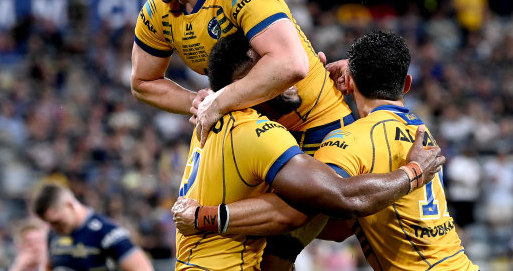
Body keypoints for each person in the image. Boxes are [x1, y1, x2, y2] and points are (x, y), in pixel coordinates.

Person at [131, 0, 353, 264]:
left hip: (317, 124)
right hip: (256, 131)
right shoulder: (159, 10)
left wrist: (219, 102)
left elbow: (290, 65)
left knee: (291, 238)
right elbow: (143, 82)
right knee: (256, 244)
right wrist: (195, 100)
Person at [174, 30, 476, 270]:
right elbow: (333, 211)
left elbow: (329, 210)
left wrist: (206, 217)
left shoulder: (209, 124)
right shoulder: (421, 134)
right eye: (275, 68)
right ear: (406, 83)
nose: (292, 75)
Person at [31, 182, 154, 271]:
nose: (54, 227)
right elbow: (46, 266)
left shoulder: (106, 231)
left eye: (57, 222)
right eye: (49, 223)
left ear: (70, 205)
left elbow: (142, 268)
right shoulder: (53, 233)